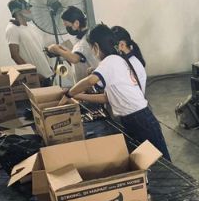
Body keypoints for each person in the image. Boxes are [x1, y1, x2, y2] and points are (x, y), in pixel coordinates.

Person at [58, 24, 171, 161]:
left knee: (161, 160)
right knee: (146, 159)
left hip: (140, 118)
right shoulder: (117, 60)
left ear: (96, 47)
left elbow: (90, 81)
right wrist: (79, 95)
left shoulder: (110, 61)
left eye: (91, 48)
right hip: (133, 118)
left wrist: (69, 93)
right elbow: (108, 98)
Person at [5, 0, 53, 85]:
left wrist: (47, 66)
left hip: (46, 75)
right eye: (27, 8)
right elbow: (14, 55)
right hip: (35, 78)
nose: (30, 11)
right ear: (18, 11)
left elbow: (39, 50)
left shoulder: (31, 27)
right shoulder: (12, 29)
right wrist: (32, 74)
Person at [46, 6, 99, 84]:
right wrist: (62, 49)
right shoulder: (80, 38)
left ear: (76, 23)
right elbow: (80, 55)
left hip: (90, 83)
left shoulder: (85, 40)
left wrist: (55, 49)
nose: (66, 28)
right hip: (84, 80)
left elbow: (75, 59)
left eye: (67, 25)